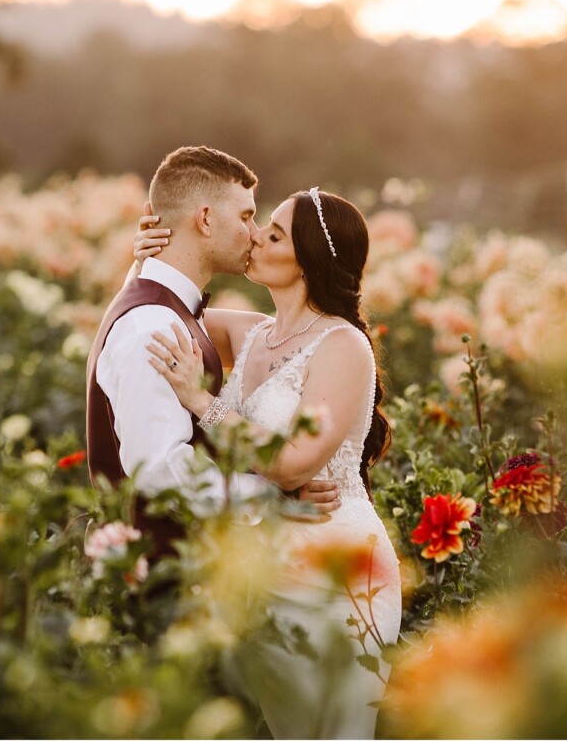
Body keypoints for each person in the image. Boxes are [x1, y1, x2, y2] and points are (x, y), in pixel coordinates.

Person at [137, 186, 403, 739]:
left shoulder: (343, 345)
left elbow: (292, 466)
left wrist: (202, 401)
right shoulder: (252, 333)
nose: (256, 236)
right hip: (268, 567)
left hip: (339, 571)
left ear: (307, 262)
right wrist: (146, 258)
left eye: (274, 233)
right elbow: (153, 310)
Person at [86, 146, 340, 559]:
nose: (254, 232)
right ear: (205, 219)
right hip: (153, 581)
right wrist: (273, 497)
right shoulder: (154, 325)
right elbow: (159, 471)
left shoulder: (172, 311)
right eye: (245, 216)